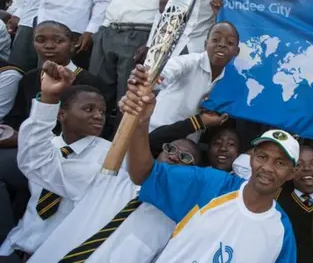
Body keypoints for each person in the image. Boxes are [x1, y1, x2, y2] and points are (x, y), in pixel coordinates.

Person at [15, 63, 190, 263]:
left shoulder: (114, 162)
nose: (98, 116)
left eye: (186, 158)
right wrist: (49, 99)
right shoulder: (107, 176)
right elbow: (37, 163)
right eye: (170, 149)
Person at [120, 72, 299, 262]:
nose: (268, 167)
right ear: (252, 157)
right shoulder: (212, 184)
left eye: (280, 163)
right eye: (262, 157)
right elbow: (144, 175)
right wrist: (140, 122)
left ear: (291, 173)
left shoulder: (282, 233)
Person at [0, 83, 109, 262]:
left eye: (103, 112)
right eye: (89, 109)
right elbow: (33, 158)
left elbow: (42, 165)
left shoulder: (109, 157)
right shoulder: (44, 146)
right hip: (16, 246)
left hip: (58, 256)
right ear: (61, 114)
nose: (98, 116)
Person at [4, 21, 106, 136]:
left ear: (72, 44)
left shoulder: (90, 82)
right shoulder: (29, 78)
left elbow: (98, 126)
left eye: (58, 41)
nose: (49, 46)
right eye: (40, 40)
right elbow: (16, 118)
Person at [137, 21, 239, 136]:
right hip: (155, 132)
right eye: (215, 40)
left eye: (229, 43)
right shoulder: (189, 62)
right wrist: (155, 77)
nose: (222, 45)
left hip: (187, 144)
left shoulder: (231, 80)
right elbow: (169, 71)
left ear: (237, 51)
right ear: (205, 44)